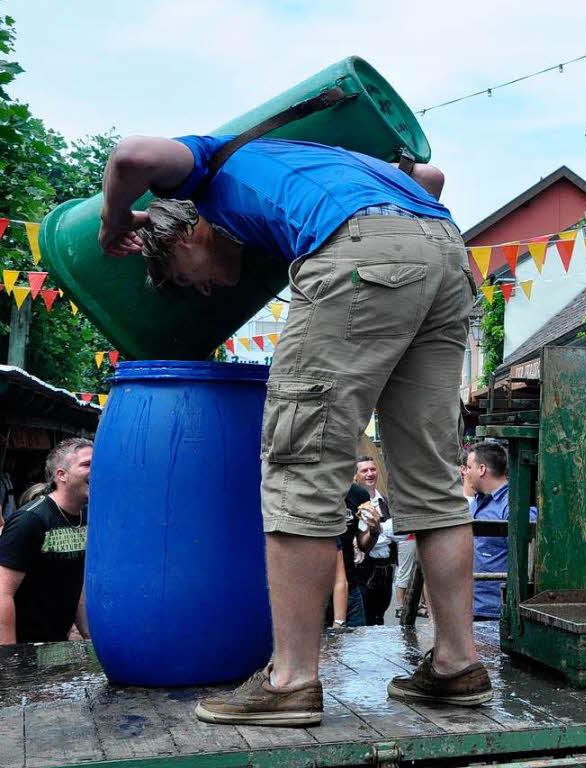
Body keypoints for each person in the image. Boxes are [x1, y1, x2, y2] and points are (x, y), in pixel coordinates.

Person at [100, 133, 491, 723]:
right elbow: (430, 179)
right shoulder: (325, 158)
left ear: (180, 230)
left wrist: (111, 222)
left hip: (362, 258)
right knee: (433, 477)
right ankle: (457, 666)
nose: (203, 290)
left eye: (184, 277)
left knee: (299, 465)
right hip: (447, 255)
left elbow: (131, 156)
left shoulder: (204, 174)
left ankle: (290, 682)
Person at [0, 439, 92, 643]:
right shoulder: (30, 520)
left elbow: (75, 584)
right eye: (87, 465)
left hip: (54, 646)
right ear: (62, 475)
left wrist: (89, 637)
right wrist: (8, 657)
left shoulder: (84, 519)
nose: (97, 471)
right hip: (22, 648)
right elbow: (2, 592)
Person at [464, 442, 536, 620]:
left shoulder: (515, 506)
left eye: (469, 467)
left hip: (496, 611)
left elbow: (529, 557)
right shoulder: (476, 503)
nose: (465, 472)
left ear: (481, 469)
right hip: (472, 606)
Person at [352, 457, 399, 626]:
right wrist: (384, 531)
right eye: (364, 471)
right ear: (355, 476)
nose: (370, 474)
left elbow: (399, 534)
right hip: (364, 571)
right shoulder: (352, 503)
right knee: (365, 620)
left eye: (372, 469)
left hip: (385, 571)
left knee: (380, 618)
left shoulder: (385, 501)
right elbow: (359, 542)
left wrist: (378, 530)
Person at [330, 484, 380, 630]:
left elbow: (364, 545)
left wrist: (374, 530)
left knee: (356, 648)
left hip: (350, 586)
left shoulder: (359, 495)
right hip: (316, 592)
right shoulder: (316, 492)